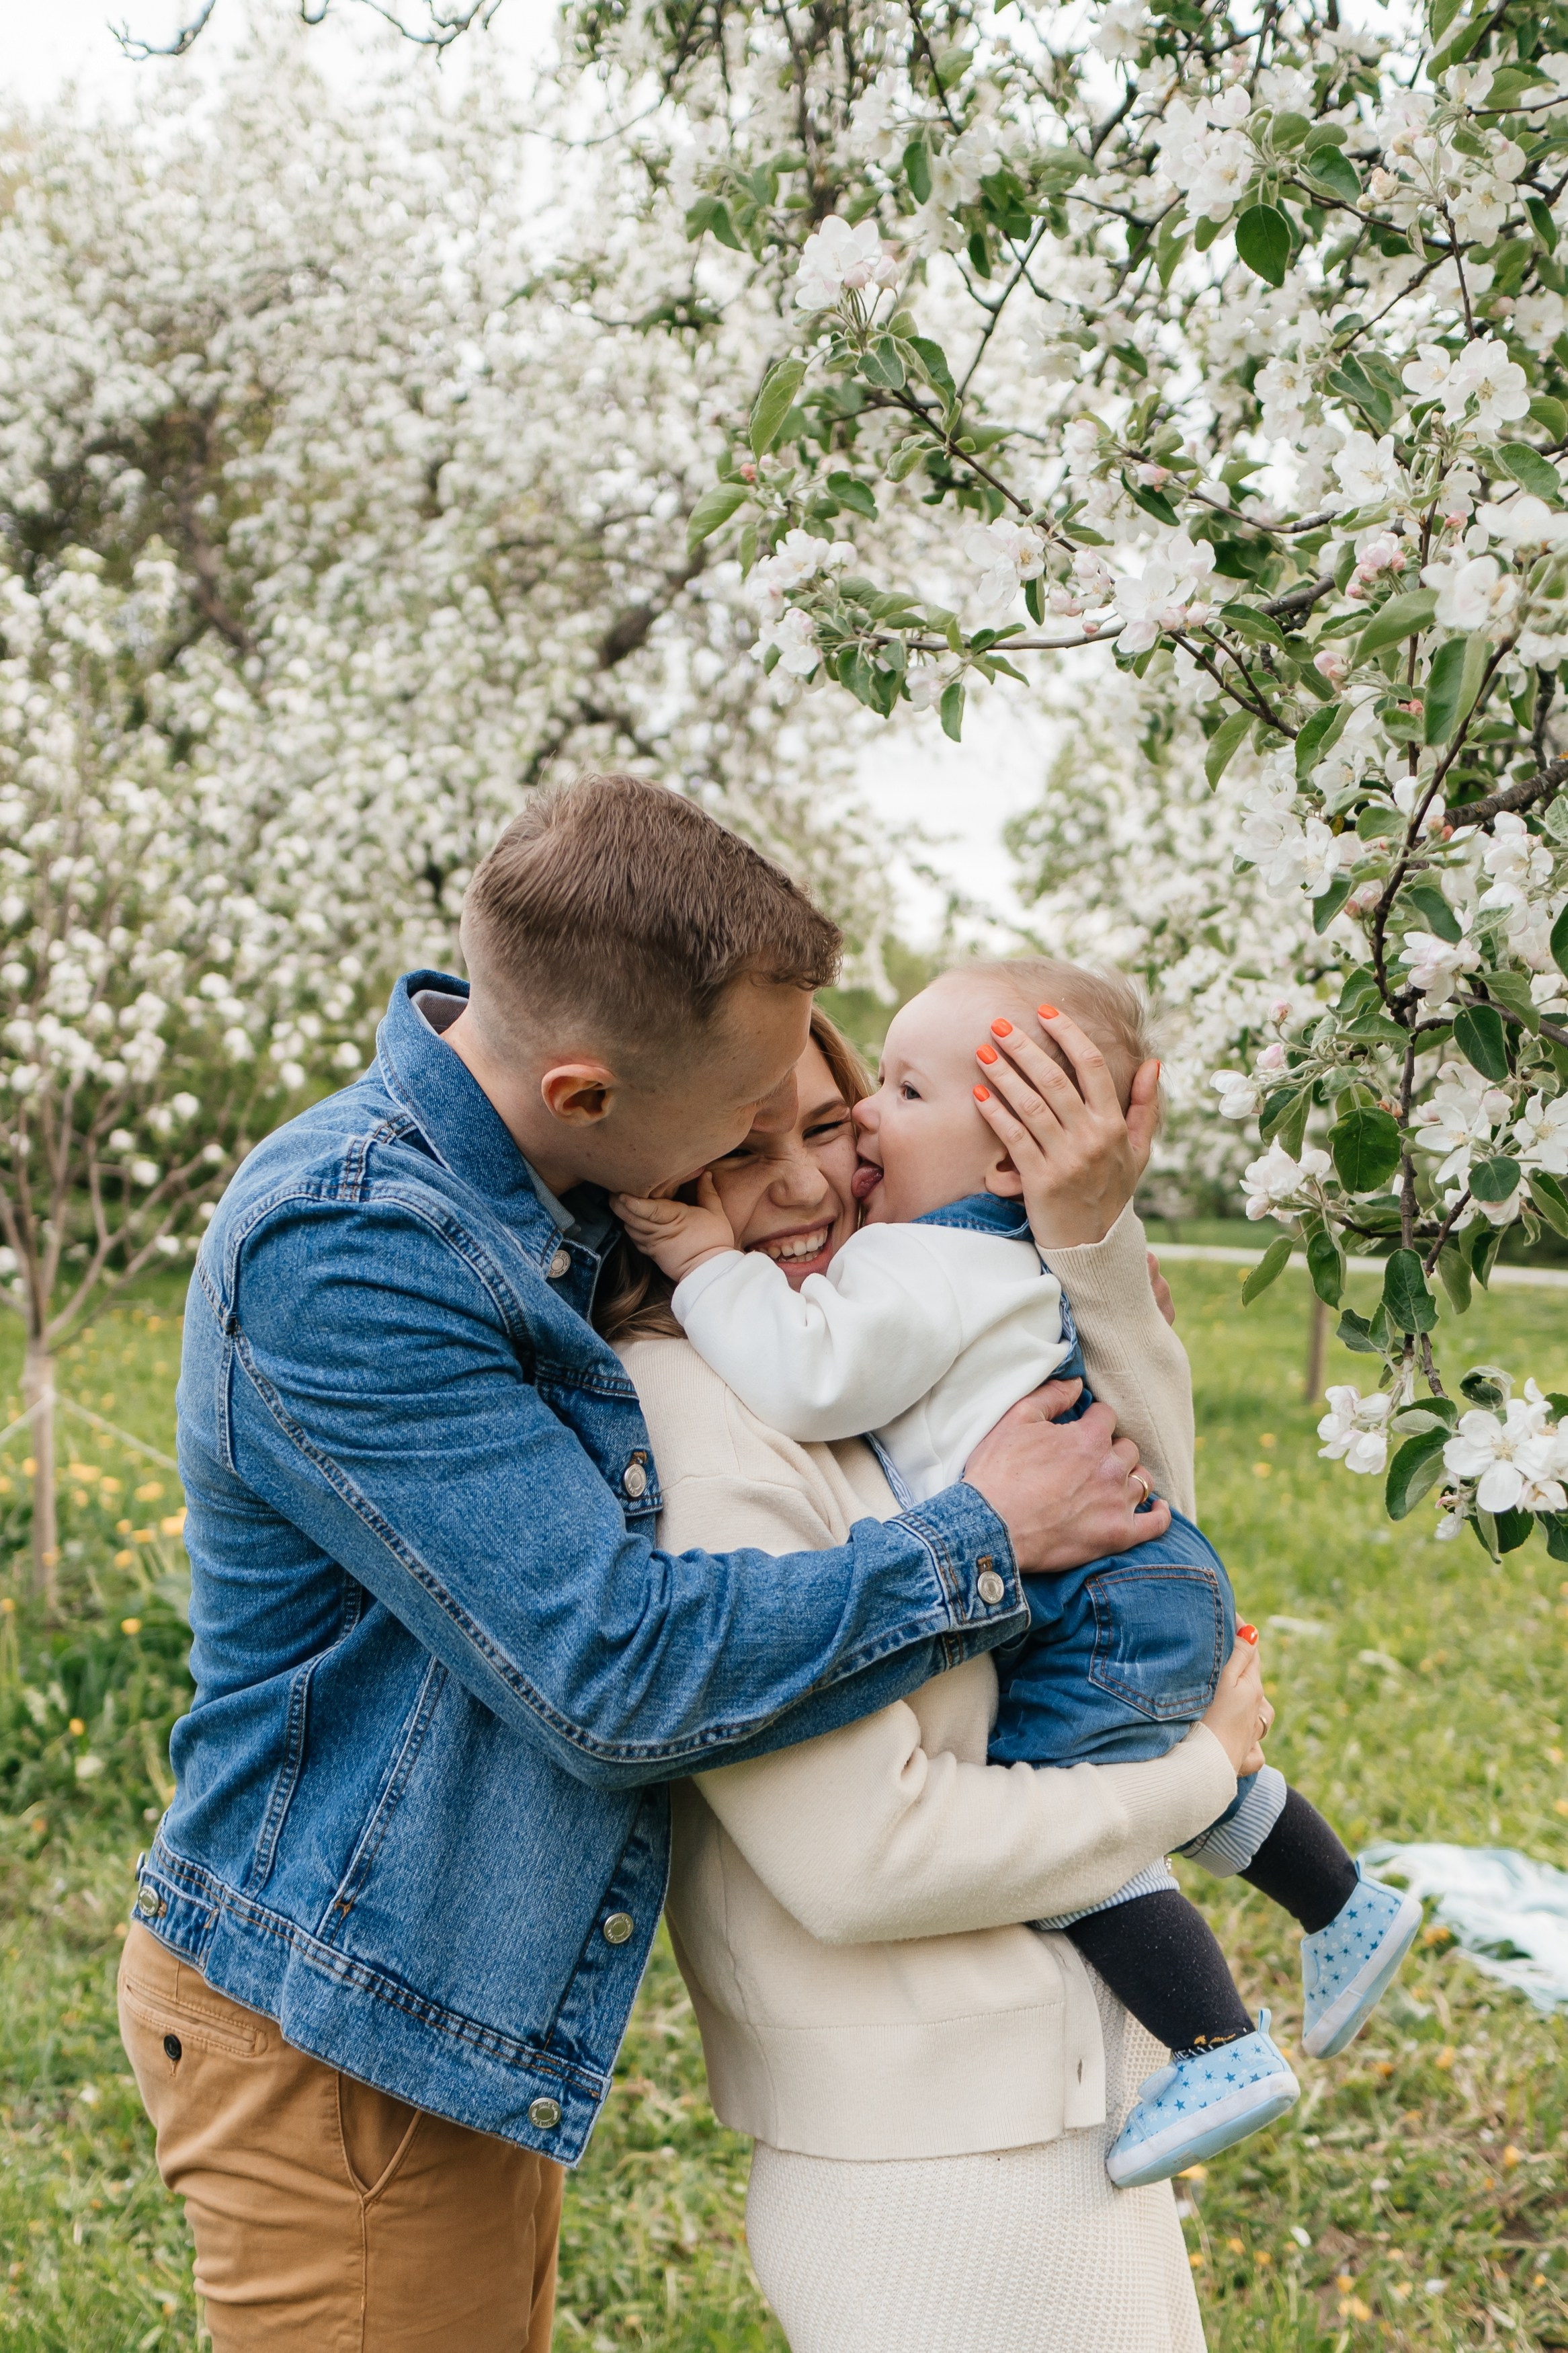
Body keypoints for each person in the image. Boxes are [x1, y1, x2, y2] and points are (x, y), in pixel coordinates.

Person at [116, 776, 1178, 2353]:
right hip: (334, 2008)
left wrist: (1075, 1231)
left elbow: (1131, 1508)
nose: (809, 1167)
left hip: (436, 1990)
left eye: (825, 1112)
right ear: (589, 1093)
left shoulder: (585, 1195)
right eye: (749, 1120)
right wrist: (986, 1541)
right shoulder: (352, 1246)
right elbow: (612, 1669)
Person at [617, 959, 1421, 2191]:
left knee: (1081, 1803)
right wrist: (1203, 1762)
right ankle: (1342, 1907)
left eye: (848, 1114)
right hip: (939, 2111)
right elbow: (867, 1853)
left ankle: (1217, 2044)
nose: (820, 1167)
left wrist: (708, 1259)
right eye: (732, 1152)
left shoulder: (906, 1275)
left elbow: (1107, 1475)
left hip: (1032, 2061)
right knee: (1149, 1781)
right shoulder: (923, 1282)